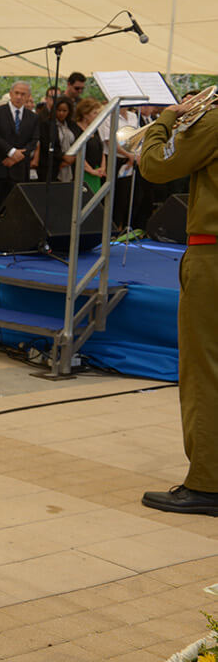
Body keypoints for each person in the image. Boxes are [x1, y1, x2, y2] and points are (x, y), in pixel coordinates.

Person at [137, 94, 218, 516]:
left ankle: (208, 483)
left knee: (205, 369)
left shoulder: (215, 121)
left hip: (213, 258)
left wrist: (167, 119)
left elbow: (156, 165)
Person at [0, 80, 41, 230]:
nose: (19, 97)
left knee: (12, 205)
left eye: (23, 94)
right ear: (11, 93)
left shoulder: (33, 117)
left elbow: (34, 140)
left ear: (28, 97)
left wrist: (18, 157)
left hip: (18, 170)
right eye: (16, 93)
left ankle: (7, 237)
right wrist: (11, 152)